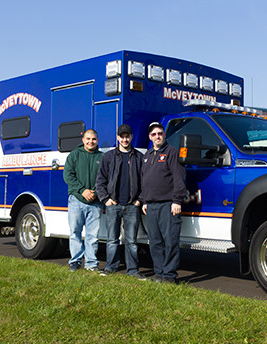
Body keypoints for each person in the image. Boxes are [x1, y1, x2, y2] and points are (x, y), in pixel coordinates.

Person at [95, 124, 145, 279]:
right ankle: (110, 267)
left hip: (132, 205)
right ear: (117, 138)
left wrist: (139, 200)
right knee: (112, 239)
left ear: (131, 137)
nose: (125, 139)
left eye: (127, 136)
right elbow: (100, 181)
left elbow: (145, 181)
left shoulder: (139, 157)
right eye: (122, 136)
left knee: (131, 241)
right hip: (113, 205)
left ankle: (133, 270)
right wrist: (106, 199)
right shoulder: (108, 157)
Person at [141, 121, 186, 283]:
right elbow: (144, 180)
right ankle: (159, 274)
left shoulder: (171, 153)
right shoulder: (147, 156)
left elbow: (178, 178)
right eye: (154, 134)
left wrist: (177, 201)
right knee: (155, 242)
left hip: (168, 205)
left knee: (170, 241)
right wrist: (145, 201)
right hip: (151, 206)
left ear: (164, 135)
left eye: (160, 133)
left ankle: (170, 276)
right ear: (150, 137)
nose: (157, 136)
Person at [63, 129, 103, 272]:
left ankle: (91, 264)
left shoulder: (102, 157)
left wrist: (96, 193)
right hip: (76, 200)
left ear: (97, 140)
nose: (90, 141)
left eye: (93, 139)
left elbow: (107, 179)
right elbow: (68, 176)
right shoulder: (74, 155)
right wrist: (83, 191)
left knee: (93, 235)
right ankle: (75, 262)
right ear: (83, 140)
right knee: (75, 232)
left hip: (95, 202)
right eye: (88, 139)